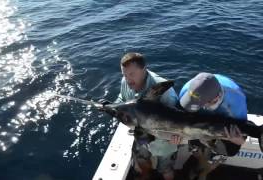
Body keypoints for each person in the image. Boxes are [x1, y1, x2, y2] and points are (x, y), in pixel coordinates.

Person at [101, 52, 179, 180]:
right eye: (124, 74)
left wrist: (177, 137)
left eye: (131, 74)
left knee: (166, 170)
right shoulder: (126, 82)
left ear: (144, 69)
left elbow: (177, 120)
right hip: (141, 136)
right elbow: (123, 99)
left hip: (164, 141)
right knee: (142, 164)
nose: (127, 79)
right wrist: (112, 106)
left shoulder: (164, 92)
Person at [178, 72, 247, 179]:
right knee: (195, 145)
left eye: (200, 104)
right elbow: (182, 116)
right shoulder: (186, 91)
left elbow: (242, 136)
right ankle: (201, 161)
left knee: (230, 150)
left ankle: (207, 169)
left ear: (217, 98)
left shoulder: (236, 102)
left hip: (224, 123)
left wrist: (238, 140)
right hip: (200, 122)